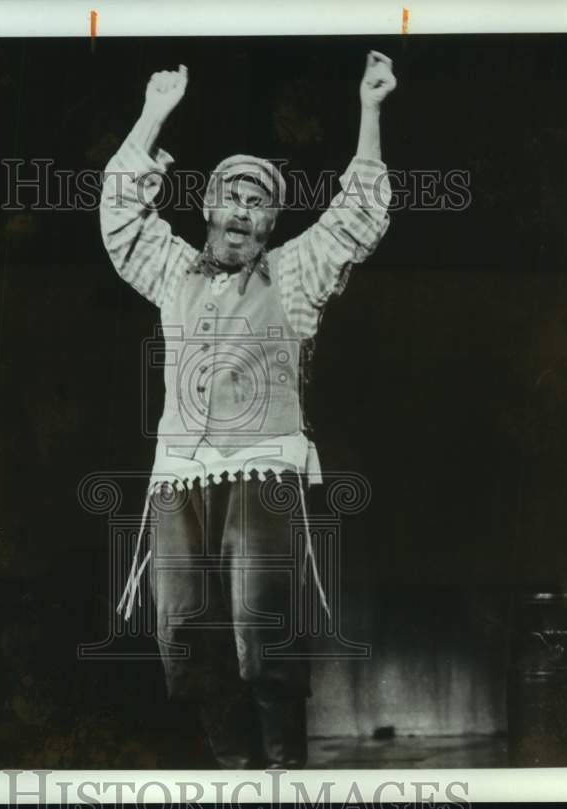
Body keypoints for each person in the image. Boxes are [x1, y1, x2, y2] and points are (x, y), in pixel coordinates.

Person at [99, 50, 396, 768]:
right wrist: (154, 112)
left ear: (271, 222)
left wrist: (370, 108)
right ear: (207, 207)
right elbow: (120, 215)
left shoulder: (292, 276)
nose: (240, 209)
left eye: (257, 201)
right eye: (230, 195)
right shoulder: (173, 271)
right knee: (184, 642)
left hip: (262, 474)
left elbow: (358, 216)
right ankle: (234, 774)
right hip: (178, 480)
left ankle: (281, 776)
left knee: (264, 635)